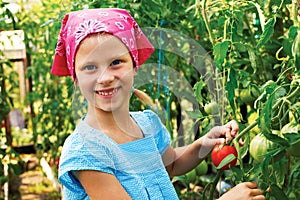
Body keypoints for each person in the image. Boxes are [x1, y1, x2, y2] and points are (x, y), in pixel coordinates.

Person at [51, 8, 265, 200]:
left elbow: (171, 165)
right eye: (90, 67)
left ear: (135, 67)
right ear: (75, 78)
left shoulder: (146, 124)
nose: (105, 77)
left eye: (116, 62)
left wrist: (203, 145)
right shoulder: (86, 151)